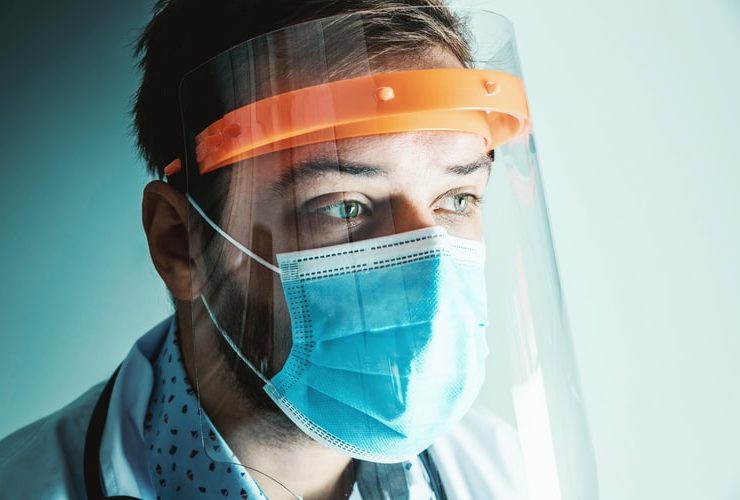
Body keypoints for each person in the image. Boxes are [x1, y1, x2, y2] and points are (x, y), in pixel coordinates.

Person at [0, 1, 598, 499]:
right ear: (180, 243)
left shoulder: (509, 475)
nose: (428, 266)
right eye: (344, 207)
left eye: (457, 199)